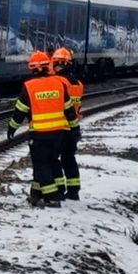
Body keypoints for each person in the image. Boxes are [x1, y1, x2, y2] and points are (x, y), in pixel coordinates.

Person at [9, 51, 73, 208]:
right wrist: (73, 129)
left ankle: (52, 197)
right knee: (51, 161)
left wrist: (12, 128)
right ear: (47, 66)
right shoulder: (59, 84)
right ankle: (37, 194)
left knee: (41, 164)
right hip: (59, 133)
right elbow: (69, 109)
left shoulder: (29, 87)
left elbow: (20, 112)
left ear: (32, 68)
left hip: (39, 134)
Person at [50, 47, 84, 200]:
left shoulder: (57, 82)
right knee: (69, 159)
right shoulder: (78, 84)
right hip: (73, 128)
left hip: (60, 128)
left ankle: (59, 188)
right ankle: (74, 190)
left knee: (53, 159)